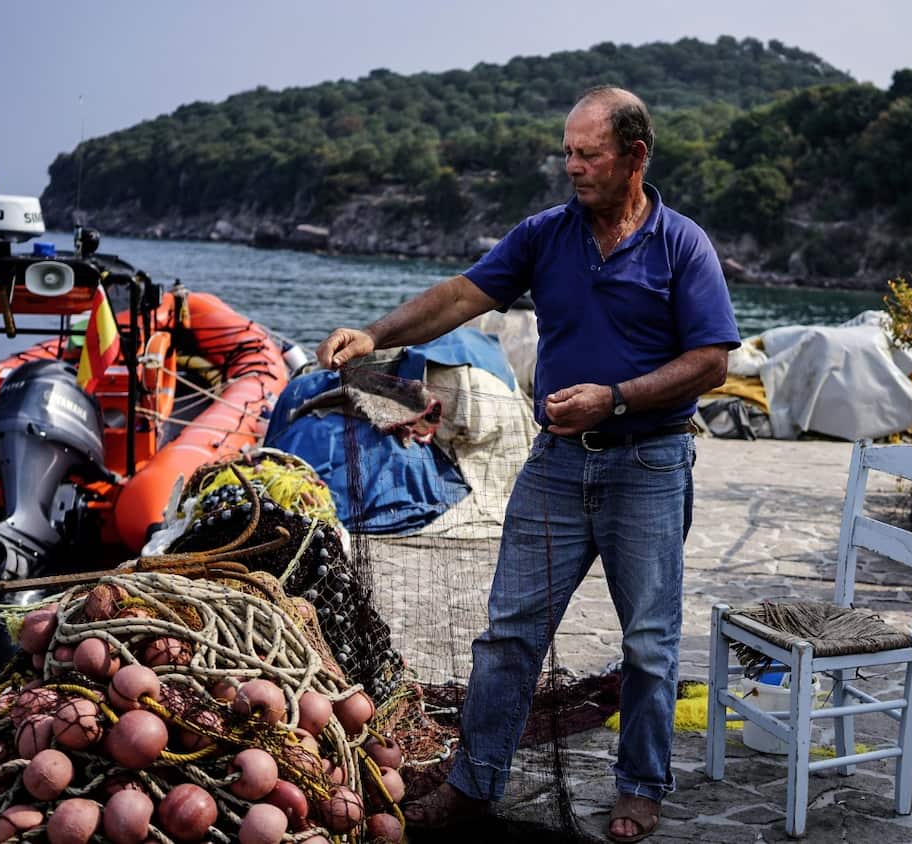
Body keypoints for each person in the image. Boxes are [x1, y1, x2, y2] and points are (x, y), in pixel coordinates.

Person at [316, 85, 740, 843]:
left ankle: (641, 786)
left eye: (589, 154)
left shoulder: (683, 245)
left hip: (649, 465)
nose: (572, 167)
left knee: (648, 641)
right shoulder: (546, 234)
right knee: (509, 634)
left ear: (635, 156)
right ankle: (476, 783)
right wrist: (374, 334)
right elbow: (460, 296)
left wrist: (614, 399)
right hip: (554, 468)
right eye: (567, 153)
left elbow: (711, 362)